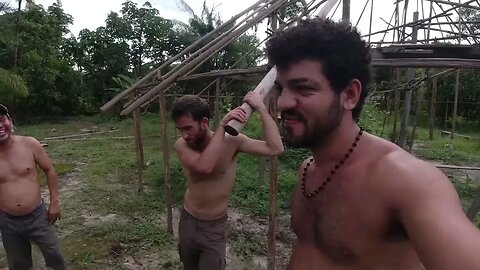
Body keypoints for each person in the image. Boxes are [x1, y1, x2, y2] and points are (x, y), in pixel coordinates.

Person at [265, 18, 480, 270]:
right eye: (282, 89)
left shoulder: (405, 180)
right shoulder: (308, 170)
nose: (283, 103)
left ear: (349, 95)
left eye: (303, 89)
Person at [172, 93, 283, 270]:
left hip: (214, 227)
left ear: (204, 122)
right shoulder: (181, 145)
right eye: (180, 129)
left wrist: (261, 108)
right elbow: (204, 166)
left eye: (188, 128)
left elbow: (275, 147)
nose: (184, 135)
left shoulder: (233, 142)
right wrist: (223, 126)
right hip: (188, 222)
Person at [0, 104, 66, 270]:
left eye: (1, 119)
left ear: (10, 120)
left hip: (38, 216)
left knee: (55, 257)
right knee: (19, 265)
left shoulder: (29, 144)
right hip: (8, 221)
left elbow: (49, 170)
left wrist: (55, 202)